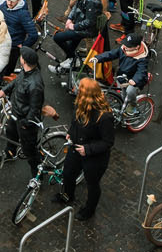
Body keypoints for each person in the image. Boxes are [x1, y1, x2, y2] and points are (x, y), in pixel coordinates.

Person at [49, 77, 115, 221]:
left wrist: (87, 149)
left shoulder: (104, 116)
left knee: (92, 184)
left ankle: (89, 210)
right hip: (76, 149)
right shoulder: (80, 104)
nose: (76, 90)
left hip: (94, 157)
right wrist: (70, 133)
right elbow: (75, 121)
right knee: (68, 173)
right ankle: (67, 195)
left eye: (80, 89)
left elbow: (108, 142)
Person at [4, 48, 45, 172]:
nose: (20, 57)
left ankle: (37, 174)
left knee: (29, 151)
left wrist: (26, 123)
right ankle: (10, 153)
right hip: (16, 113)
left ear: (24, 61)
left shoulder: (35, 84)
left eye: (21, 56)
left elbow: (35, 108)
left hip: (25, 121)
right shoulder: (25, 71)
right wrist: (4, 90)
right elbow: (16, 81)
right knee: (10, 133)